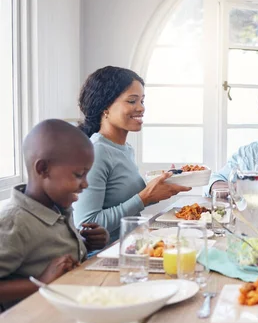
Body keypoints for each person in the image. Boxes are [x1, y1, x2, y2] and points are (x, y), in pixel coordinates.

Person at [0, 119, 110, 323]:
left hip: (72, 319)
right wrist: (40, 282)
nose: (85, 184)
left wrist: (88, 243)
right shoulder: (14, 223)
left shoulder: (57, 206)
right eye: (78, 175)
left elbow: (50, 250)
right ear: (43, 169)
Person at [74, 66, 191, 242]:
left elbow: (125, 200)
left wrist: (158, 189)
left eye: (142, 101)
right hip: (103, 256)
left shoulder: (124, 148)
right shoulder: (97, 151)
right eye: (132, 101)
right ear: (105, 106)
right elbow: (86, 224)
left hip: (132, 245)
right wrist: (144, 198)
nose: (141, 108)